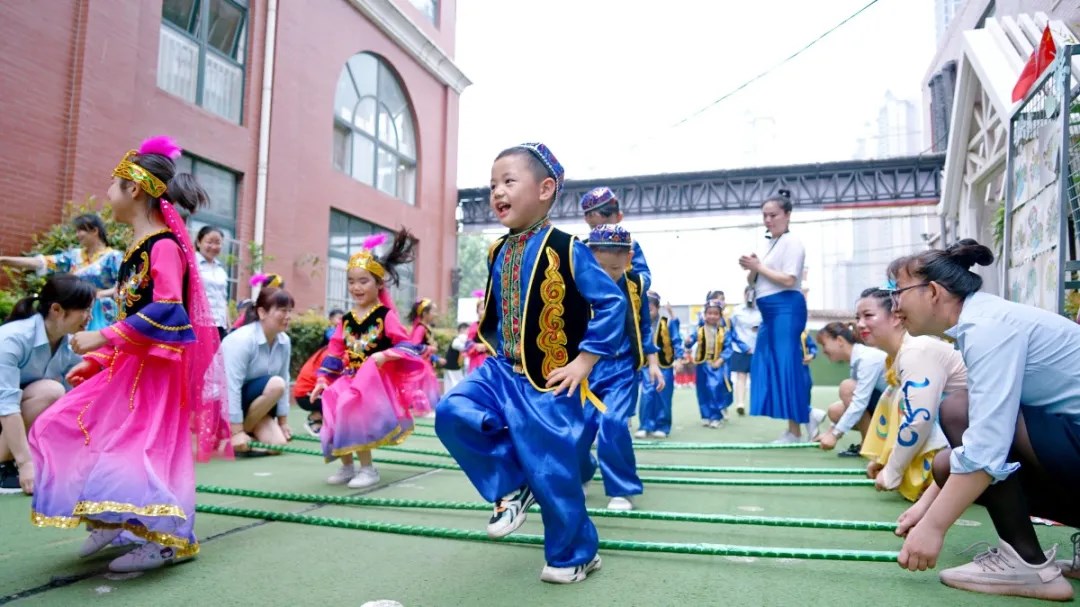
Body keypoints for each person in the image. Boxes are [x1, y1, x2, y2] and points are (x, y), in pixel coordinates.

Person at [28, 136, 230, 573]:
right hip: (125, 368)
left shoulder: (162, 247)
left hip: (154, 375)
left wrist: (104, 337)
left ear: (134, 190)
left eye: (112, 185)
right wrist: (100, 359)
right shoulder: (135, 251)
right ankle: (110, 517)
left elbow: (168, 307)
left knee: (136, 449)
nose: (107, 194)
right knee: (60, 424)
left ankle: (170, 540)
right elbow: (137, 314)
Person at [435, 143, 624, 584]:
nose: (497, 192)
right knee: (451, 412)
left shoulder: (569, 249)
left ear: (544, 189)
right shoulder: (497, 251)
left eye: (508, 181)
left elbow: (612, 304)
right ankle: (511, 484)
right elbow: (499, 315)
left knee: (554, 473)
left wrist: (583, 362)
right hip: (502, 371)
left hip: (551, 381)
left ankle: (575, 554)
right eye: (492, 184)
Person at [888, 239, 1080, 601]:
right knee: (946, 465)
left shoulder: (988, 328)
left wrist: (934, 527)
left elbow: (987, 443)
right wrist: (925, 506)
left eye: (897, 292)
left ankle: (1027, 565)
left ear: (932, 291)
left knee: (960, 409)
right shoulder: (983, 321)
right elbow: (985, 438)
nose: (894, 307)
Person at [310, 229, 440, 489]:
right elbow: (335, 351)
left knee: (351, 409)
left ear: (379, 284)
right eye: (351, 281)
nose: (356, 287)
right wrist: (323, 379)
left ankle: (368, 468)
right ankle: (347, 466)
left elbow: (407, 346)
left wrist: (385, 354)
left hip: (373, 384)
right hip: (351, 377)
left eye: (363, 281)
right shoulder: (346, 320)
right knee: (333, 402)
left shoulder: (384, 316)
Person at [579, 224, 663, 512]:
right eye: (602, 268)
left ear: (628, 259)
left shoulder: (635, 285)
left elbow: (643, 326)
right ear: (589, 257)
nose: (609, 275)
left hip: (622, 368)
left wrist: (653, 362)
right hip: (584, 371)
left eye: (616, 268)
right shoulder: (576, 285)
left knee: (614, 424)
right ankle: (581, 474)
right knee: (577, 431)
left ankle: (622, 488)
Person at [854, 287, 966, 502]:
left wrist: (893, 471)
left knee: (907, 403)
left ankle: (935, 477)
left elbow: (919, 419)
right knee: (894, 396)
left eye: (868, 316)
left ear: (896, 317)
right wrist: (886, 460)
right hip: (962, 433)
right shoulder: (898, 355)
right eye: (857, 317)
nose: (860, 324)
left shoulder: (916, 350)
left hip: (983, 439)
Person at [0, 275, 93, 493]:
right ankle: (10, 464)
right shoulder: (13, 339)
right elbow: (6, 406)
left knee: (58, 393)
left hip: (8, 420)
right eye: (84, 310)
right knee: (50, 391)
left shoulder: (69, 345)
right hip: (5, 414)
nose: (89, 317)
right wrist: (26, 464)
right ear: (57, 309)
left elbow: (77, 400)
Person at [739, 189, 811, 443]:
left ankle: (796, 430)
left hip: (786, 309)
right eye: (765, 216)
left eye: (773, 215)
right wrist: (752, 268)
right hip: (769, 312)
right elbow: (755, 279)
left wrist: (759, 267)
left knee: (786, 365)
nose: (768, 220)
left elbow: (790, 279)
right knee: (766, 365)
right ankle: (806, 416)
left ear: (787, 215)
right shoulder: (770, 244)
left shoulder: (793, 242)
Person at [0, 214, 122, 331]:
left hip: (102, 313)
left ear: (95, 231)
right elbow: (44, 262)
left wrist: (100, 294)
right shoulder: (74, 255)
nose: (77, 235)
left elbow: (127, 285)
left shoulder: (114, 257)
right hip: (74, 310)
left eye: (81, 230)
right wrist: (5, 260)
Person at [220, 287, 294, 455]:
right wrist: (237, 431)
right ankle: (232, 435)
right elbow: (230, 387)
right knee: (276, 384)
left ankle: (237, 441)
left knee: (278, 446)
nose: (288, 316)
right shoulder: (241, 340)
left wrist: (283, 423)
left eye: (290, 311)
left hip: (255, 407)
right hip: (223, 405)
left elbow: (285, 377)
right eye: (282, 311)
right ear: (262, 312)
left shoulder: (284, 341)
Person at [815, 321, 887, 453]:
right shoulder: (856, 359)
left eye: (824, 345)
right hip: (884, 405)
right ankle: (871, 442)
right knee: (835, 411)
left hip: (897, 411)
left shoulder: (867, 359)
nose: (823, 351)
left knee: (847, 387)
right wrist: (830, 432)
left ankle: (870, 446)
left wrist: (835, 435)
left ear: (839, 340)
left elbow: (859, 402)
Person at [686, 299, 743, 428]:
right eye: (709, 313)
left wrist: (720, 360)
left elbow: (728, 348)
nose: (712, 316)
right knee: (702, 390)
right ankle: (706, 416)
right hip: (701, 364)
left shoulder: (724, 331)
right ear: (705, 315)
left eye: (715, 313)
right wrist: (688, 341)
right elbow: (690, 342)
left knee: (715, 389)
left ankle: (716, 416)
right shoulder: (699, 330)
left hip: (716, 365)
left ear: (720, 315)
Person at [580, 186, 651, 290]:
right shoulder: (582, 247)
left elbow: (645, 278)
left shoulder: (630, 244)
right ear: (586, 219)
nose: (604, 234)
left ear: (619, 217)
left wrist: (621, 275)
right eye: (596, 228)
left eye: (608, 226)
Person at [636, 292, 683, 438]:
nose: (646, 312)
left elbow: (676, 341)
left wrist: (679, 359)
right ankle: (645, 425)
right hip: (646, 366)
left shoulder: (666, 323)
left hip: (665, 365)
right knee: (646, 395)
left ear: (657, 308)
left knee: (664, 395)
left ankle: (662, 426)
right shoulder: (639, 323)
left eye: (649, 309)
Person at [729, 285, 761, 416]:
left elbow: (767, 327)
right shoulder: (736, 311)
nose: (751, 297)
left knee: (756, 378)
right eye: (748, 294)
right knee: (740, 376)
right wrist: (743, 347)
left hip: (757, 349)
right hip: (740, 348)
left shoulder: (762, 310)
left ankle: (756, 405)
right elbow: (731, 331)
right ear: (744, 294)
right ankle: (740, 404)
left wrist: (760, 327)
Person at [195, 226, 229, 339]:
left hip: (220, 325)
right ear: (199, 242)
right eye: (209, 242)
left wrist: (228, 322)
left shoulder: (221, 270)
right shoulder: (192, 264)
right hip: (199, 324)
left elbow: (223, 298)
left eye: (218, 243)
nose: (214, 247)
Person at [293, 344, 329, 436]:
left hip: (313, 391)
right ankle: (315, 418)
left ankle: (319, 416)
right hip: (306, 394)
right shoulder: (335, 354)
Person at [443, 323, 469, 393]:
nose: (468, 332)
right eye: (467, 330)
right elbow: (456, 345)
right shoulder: (458, 339)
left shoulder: (459, 339)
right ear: (462, 330)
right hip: (452, 367)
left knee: (456, 384)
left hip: (455, 367)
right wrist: (468, 347)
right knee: (453, 385)